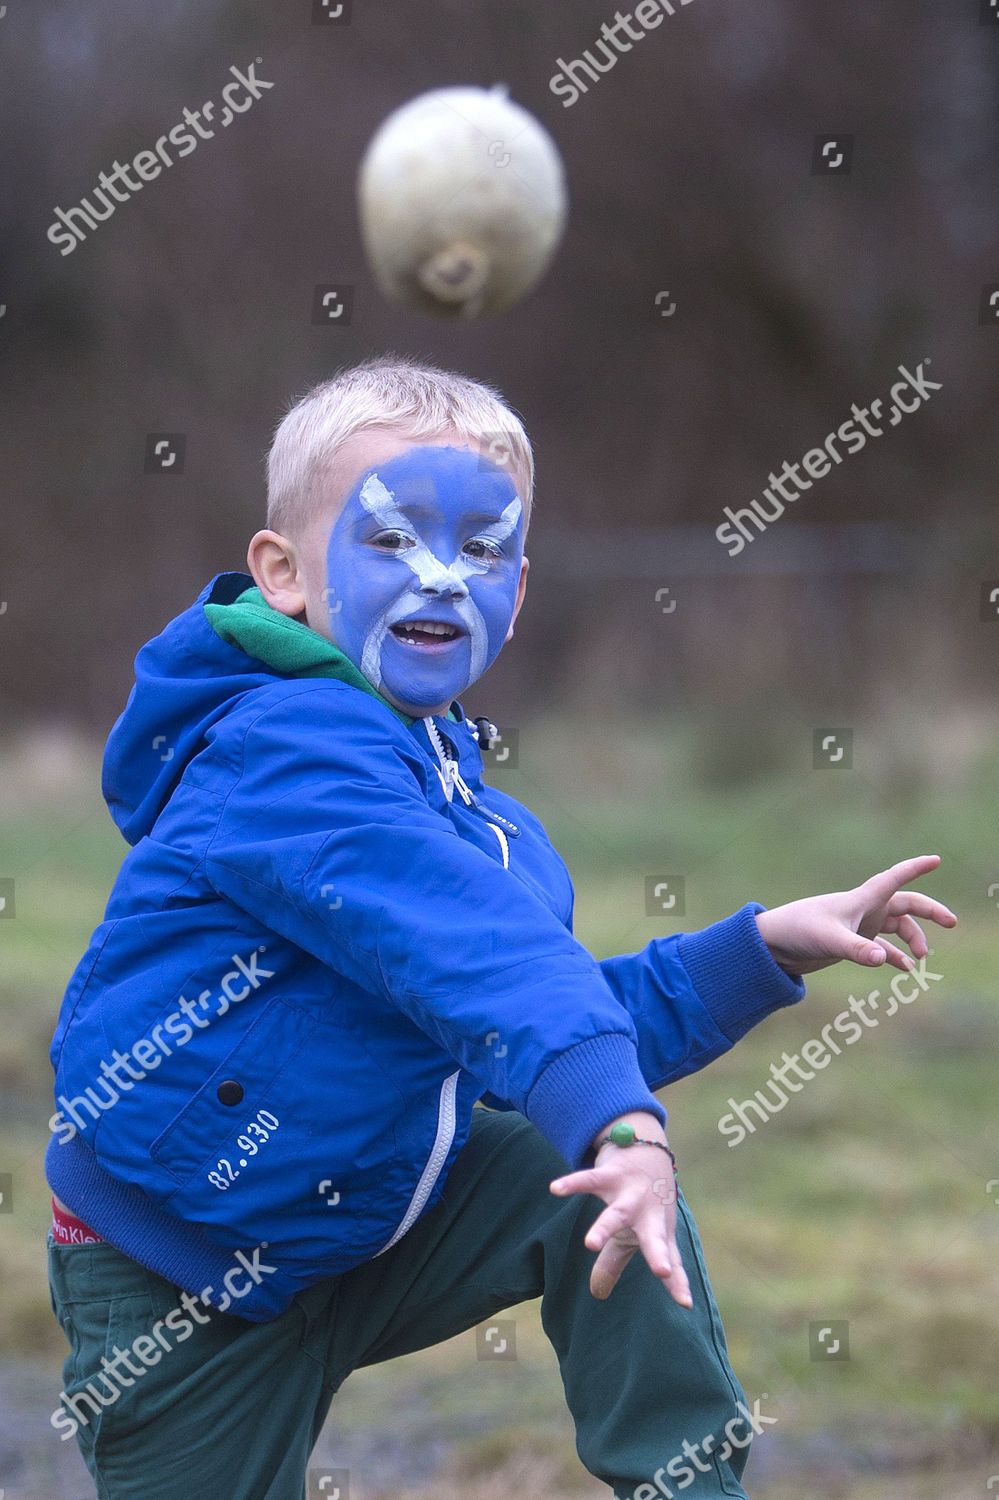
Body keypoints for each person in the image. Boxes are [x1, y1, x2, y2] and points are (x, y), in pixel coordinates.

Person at [45, 355, 956, 1499]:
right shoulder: (282, 756)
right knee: (601, 1137)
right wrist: (625, 1116)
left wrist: (757, 949)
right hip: (185, 1269)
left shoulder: (467, 802)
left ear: (518, 592)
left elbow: (526, 1010)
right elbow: (476, 952)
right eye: (391, 541)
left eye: (480, 551)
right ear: (282, 573)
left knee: (577, 1180)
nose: (442, 577)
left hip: (370, 1211)